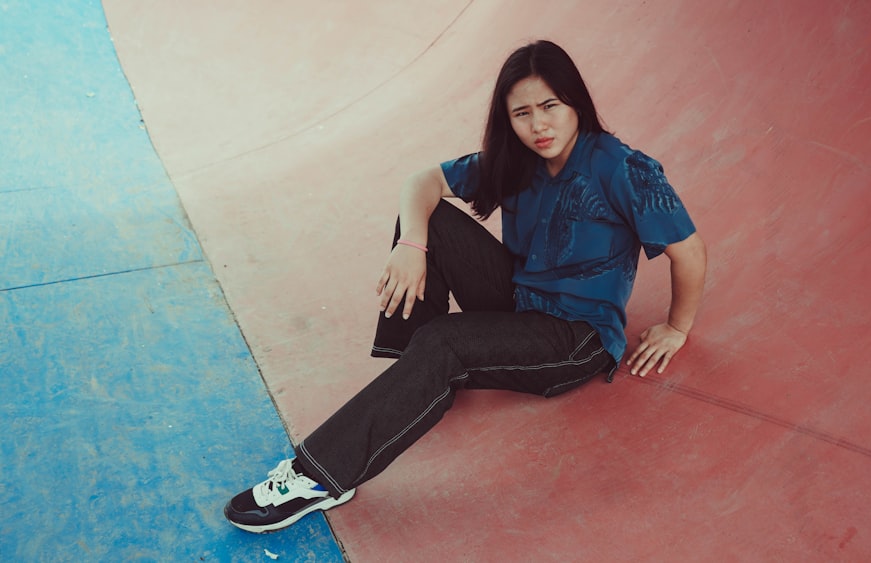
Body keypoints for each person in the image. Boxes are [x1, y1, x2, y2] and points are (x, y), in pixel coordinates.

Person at [224, 39, 707, 533]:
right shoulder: (515, 160)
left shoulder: (623, 168)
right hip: (518, 300)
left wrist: (677, 325)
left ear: (576, 103)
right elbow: (422, 181)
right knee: (428, 223)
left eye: (550, 107)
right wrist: (412, 245)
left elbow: (687, 249)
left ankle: (319, 476)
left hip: (576, 335)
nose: (539, 125)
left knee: (445, 343)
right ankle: (415, 381)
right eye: (522, 113)